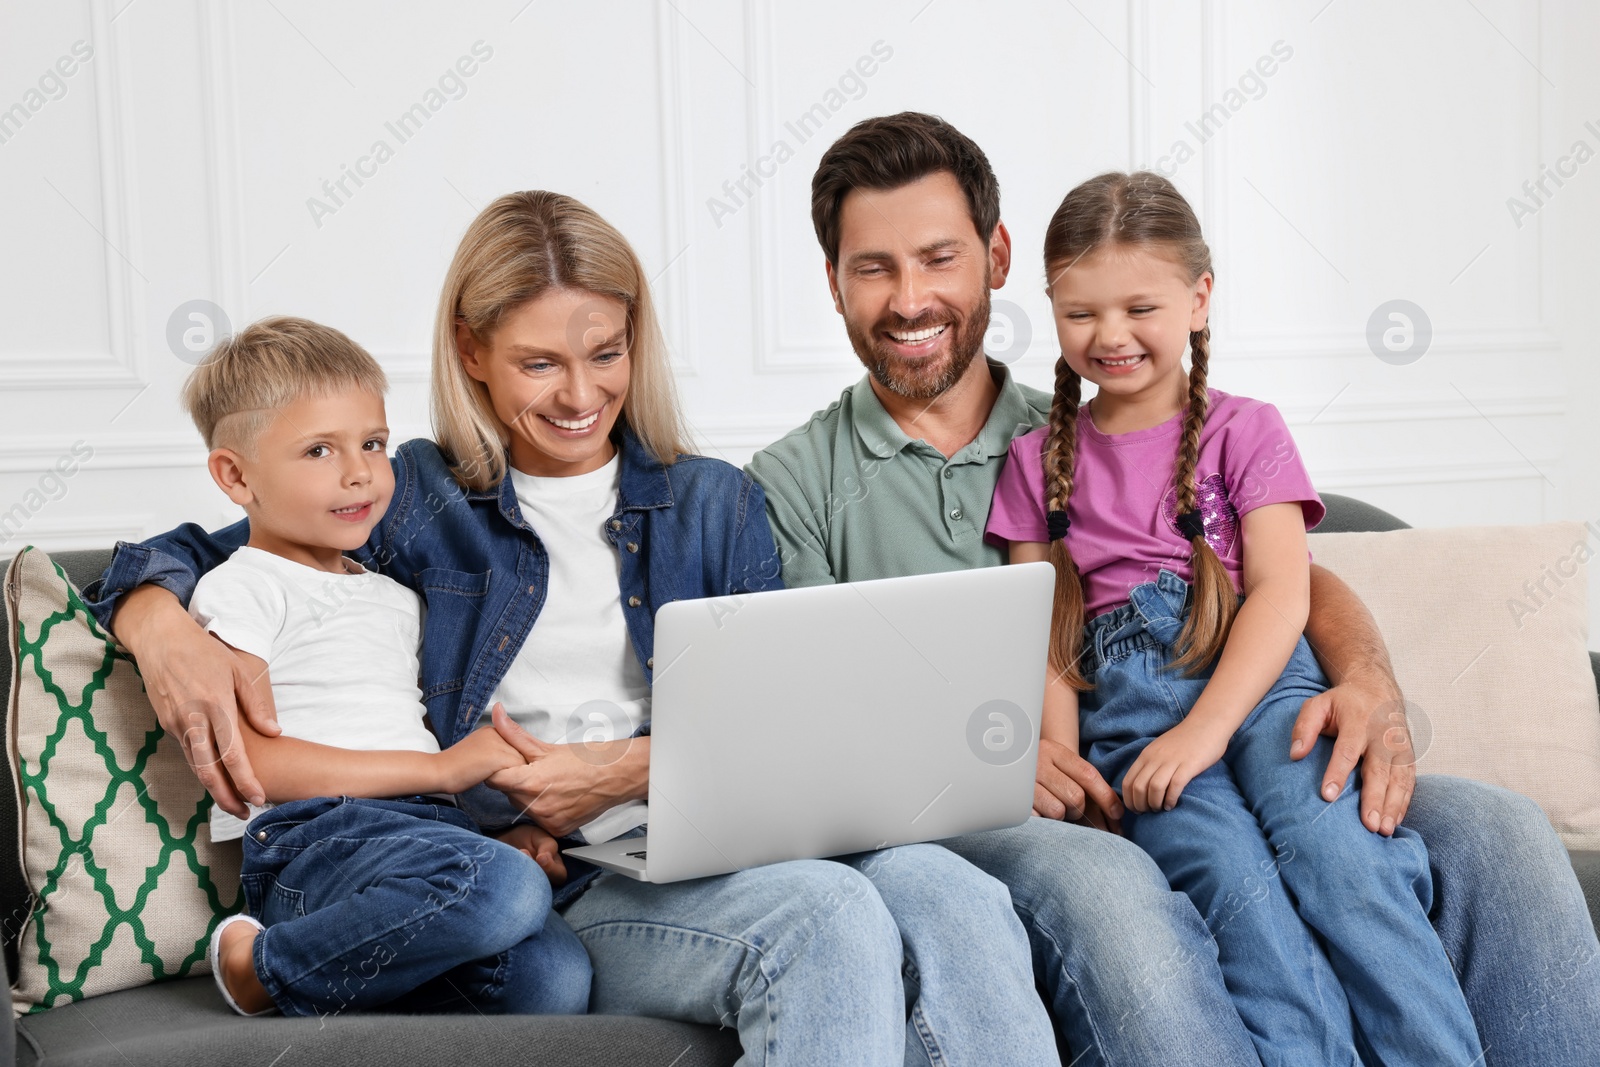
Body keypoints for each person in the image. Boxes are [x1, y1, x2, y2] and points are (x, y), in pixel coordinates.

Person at [85, 191, 1060, 1065]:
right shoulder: (414, 494)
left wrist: (636, 763)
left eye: (605, 354)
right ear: (471, 351)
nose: (582, 393)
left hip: (708, 846)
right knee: (824, 916)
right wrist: (157, 623)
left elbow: (783, 723)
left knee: (959, 897)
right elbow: (205, 548)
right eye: (539, 362)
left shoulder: (712, 502)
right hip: (557, 876)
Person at [747, 110, 1600, 1066]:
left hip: (1240, 716)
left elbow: (1287, 578)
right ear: (832, 282)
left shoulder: (1092, 415)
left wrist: (1366, 677)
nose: (910, 298)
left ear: (995, 257)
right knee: (1131, 890)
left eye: (937, 257)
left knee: (1499, 828)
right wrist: (979, 764)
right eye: (873, 267)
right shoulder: (790, 482)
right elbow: (808, 719)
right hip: (1028, 800)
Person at [985, 170, 1481, 1064]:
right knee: (1236, 895)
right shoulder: (1032, 461)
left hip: (1257, 680)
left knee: (1344, 863)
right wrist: (1066, 775)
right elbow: (1045, 639)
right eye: (1080, 313)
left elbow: (1285, 594)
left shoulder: (1245, 430)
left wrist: (1208, 729)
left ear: (1199, 298)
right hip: (1129, 723)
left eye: (1140, 306)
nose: (1110, 336)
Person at [176, 316, 588, 1018]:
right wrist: (442, 771)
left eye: (373, 442)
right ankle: (263, 968)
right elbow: (251, 764)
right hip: (318, 841)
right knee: (508, 890)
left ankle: (368, 972)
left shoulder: (397, 597)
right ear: (236, 475)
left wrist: (484, 838)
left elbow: (399, 739)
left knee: (555, 980)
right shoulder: (242, 587)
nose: (360, 470)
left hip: (428, 833)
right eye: (318, 450)